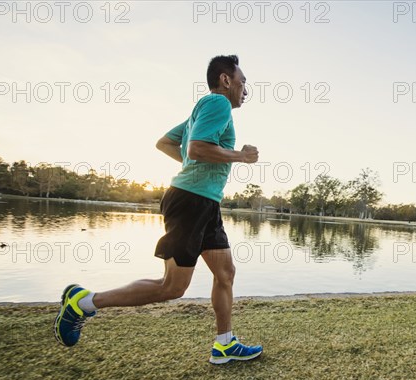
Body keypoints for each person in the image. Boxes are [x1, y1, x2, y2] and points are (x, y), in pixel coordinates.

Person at [54, 55, 263, 364]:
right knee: (172, 287)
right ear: (226, 80)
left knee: (225, 272)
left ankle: (224, 344)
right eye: (242, 81)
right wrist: (239, 156)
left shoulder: (202, 110)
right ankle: (83, 303)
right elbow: (196, 149)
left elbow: (166, 144)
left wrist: (198, 166)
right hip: (191, 202)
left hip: (205, 202)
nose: (245, 89)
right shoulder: (217, 104)